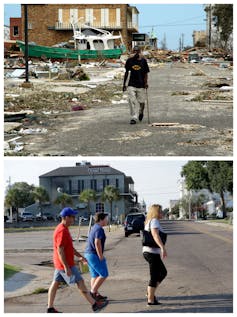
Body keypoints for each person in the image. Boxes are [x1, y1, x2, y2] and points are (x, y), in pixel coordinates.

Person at [47, 207, 108, 313]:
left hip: (60, 263)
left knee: (55, 283)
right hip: (65, 264)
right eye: (72, 217)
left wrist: (80, 256)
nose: (73, 219)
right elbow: (60, 250)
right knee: (80, 282)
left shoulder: (64, 229)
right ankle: (94, 305)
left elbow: (69, 248)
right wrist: (66, 267)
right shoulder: (62, 231)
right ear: (66, 217)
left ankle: (50, 308)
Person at [143, 204, 167, 306]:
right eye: (160, 211)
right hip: (152, 252)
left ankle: (150, 293)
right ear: (156, 212)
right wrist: (162, 248)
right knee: (155, 276)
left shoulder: (149, 221)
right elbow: (155, 235)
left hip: (150, 252)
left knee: (162, 273)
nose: (162, 213)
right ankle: (150, 299)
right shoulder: (154, 221)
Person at [84, 212, 109, 301]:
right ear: (101, 220)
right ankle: (93, 292)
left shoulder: (94, 227)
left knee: (95, 275)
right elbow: (97, 242)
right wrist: (100, 256)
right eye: (106, 219)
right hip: (93, 255)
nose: (107, 220)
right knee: (104, 274)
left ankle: (96, 294)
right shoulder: (99, 229)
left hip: (88, 254)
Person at [123, 46, 150, 124]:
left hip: (141, 85)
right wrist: (124, 84)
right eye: (134, 51)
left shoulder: (143, 61)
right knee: (131, 100)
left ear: (140, 52)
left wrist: (146, 83)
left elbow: (146, 73)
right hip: (131, 84)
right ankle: (134, 117)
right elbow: (126, 72)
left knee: (142, 102)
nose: (135, 52)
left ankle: (141, 112)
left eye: (137, 51)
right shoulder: (129, 61)